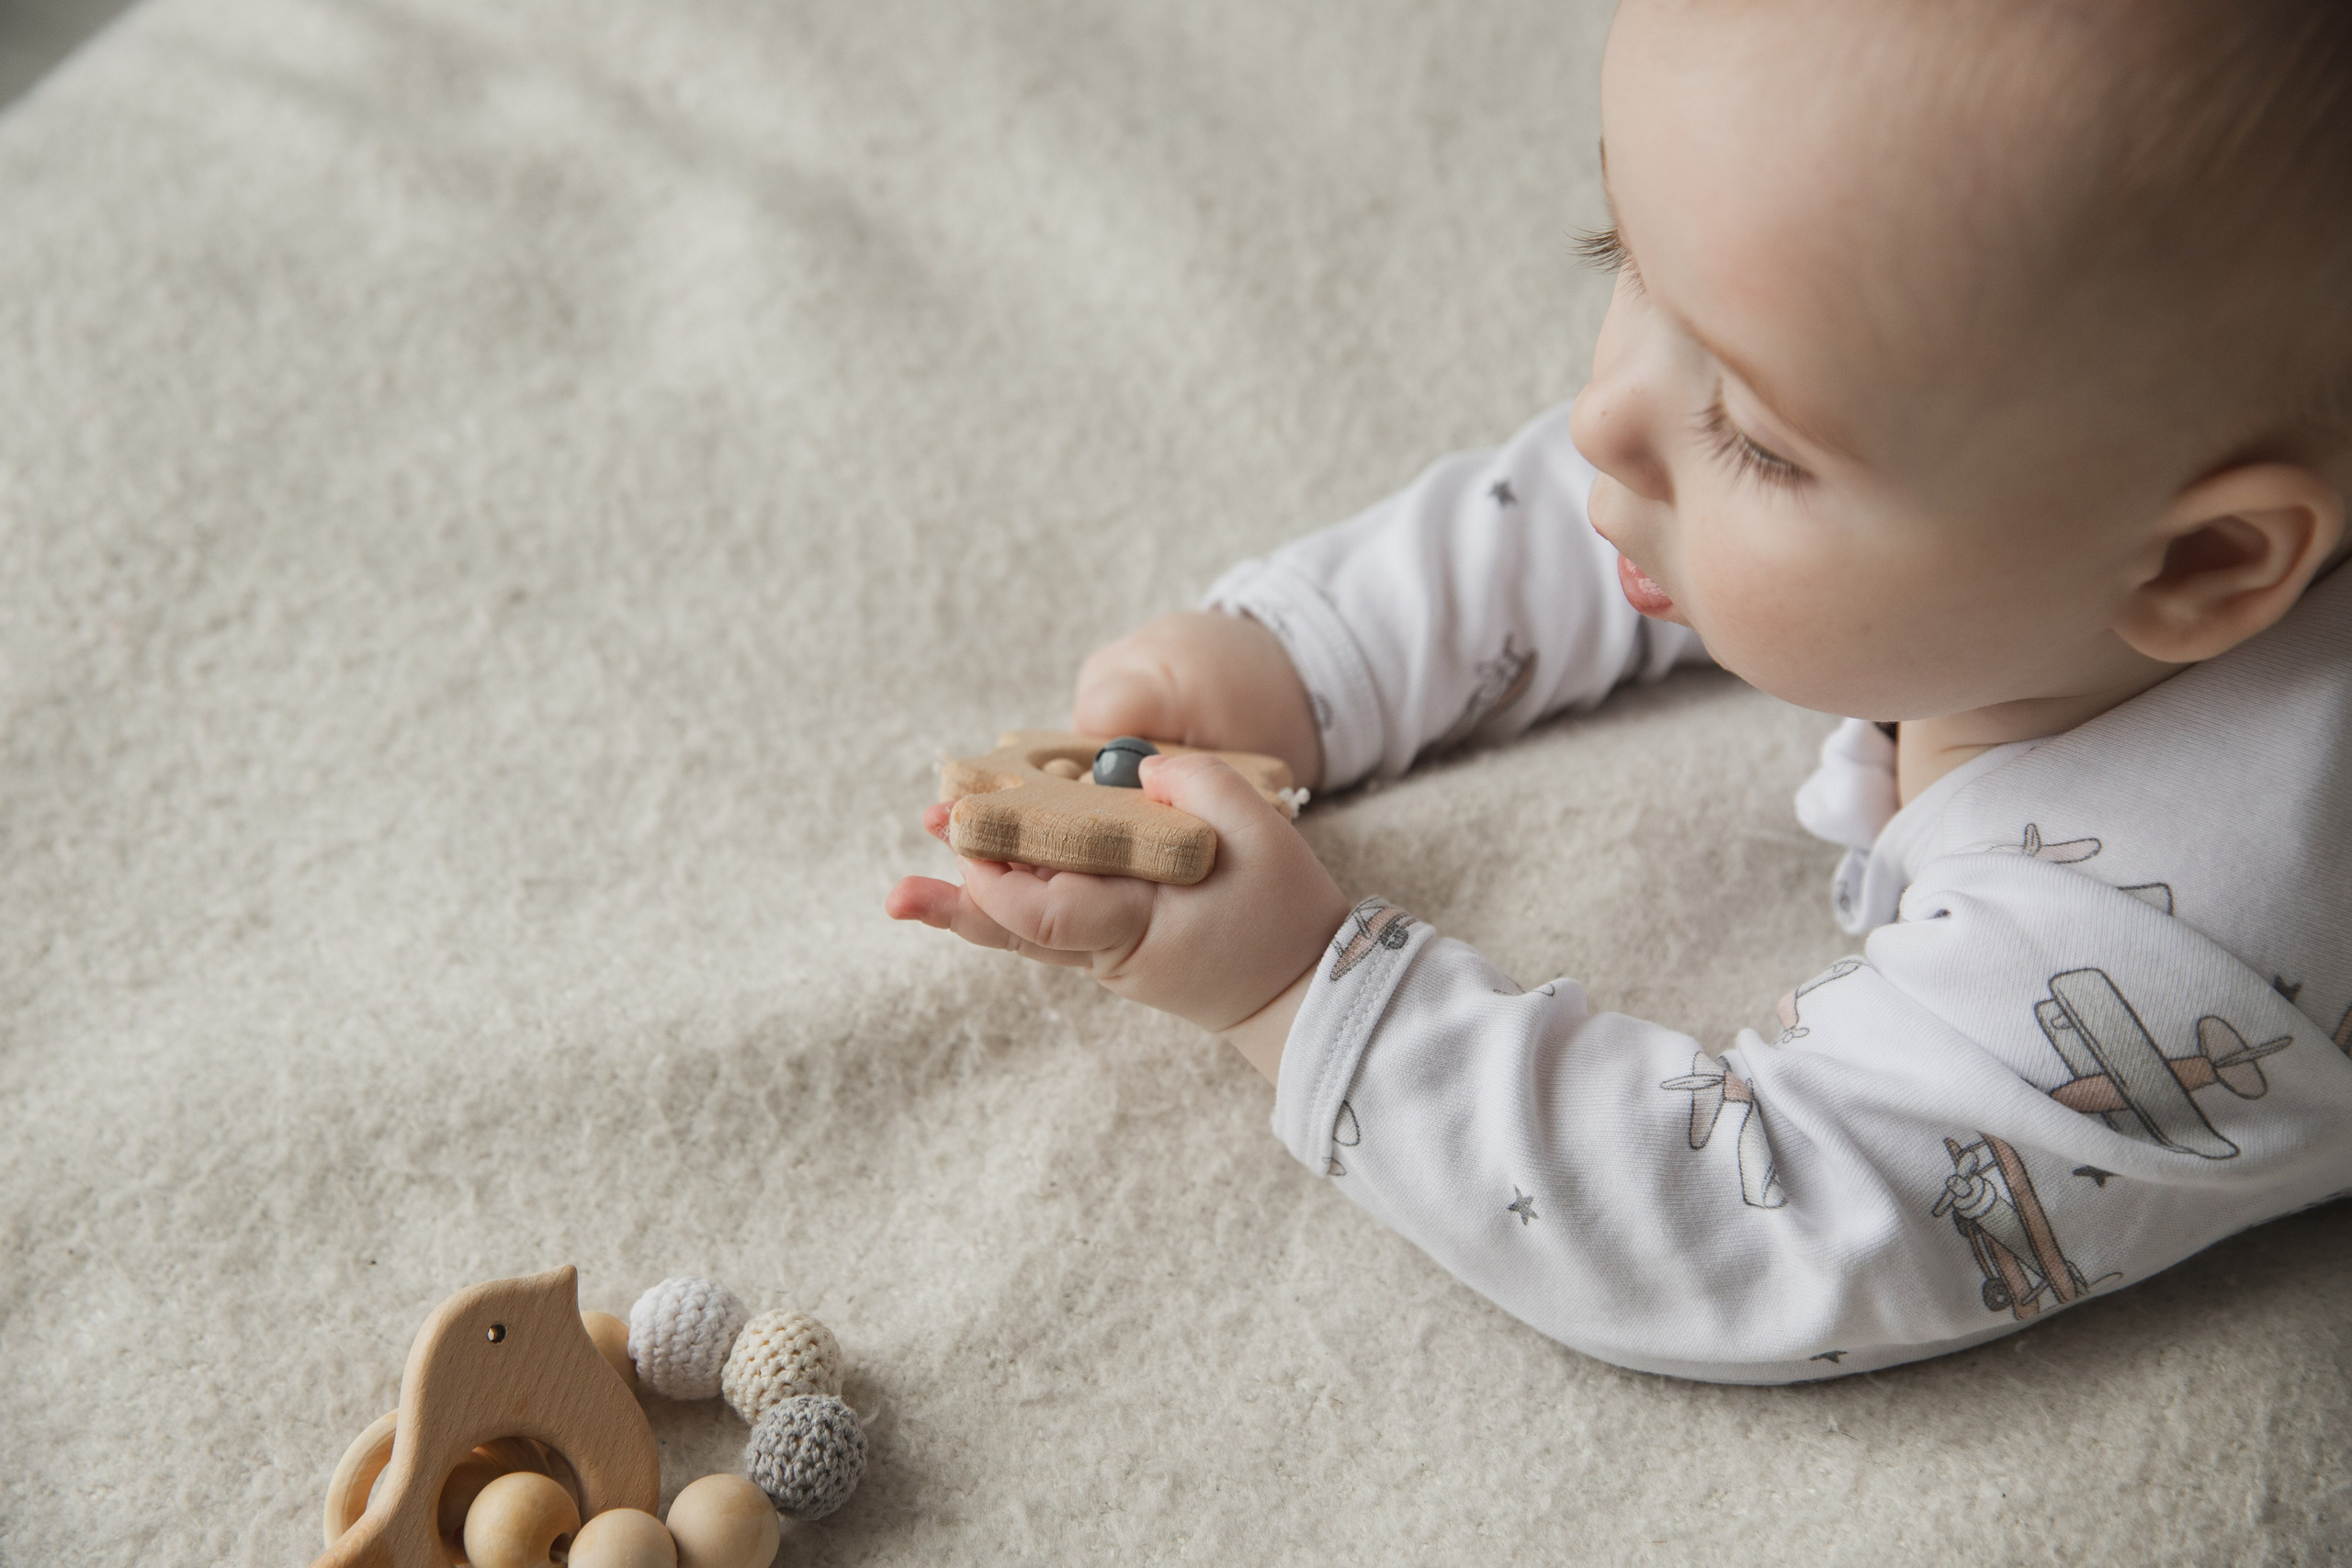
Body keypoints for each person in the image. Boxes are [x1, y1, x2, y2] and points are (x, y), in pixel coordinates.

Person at [886, 0, 2352, 1381]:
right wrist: (1315, 655)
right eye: (1623, 263)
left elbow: (1765, 1227)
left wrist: (1296, 983)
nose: (1605, 415)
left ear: (2206, 563)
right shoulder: (2016, 486)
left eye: (1762, 439)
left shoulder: (2191, 941)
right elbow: (1653, 513)